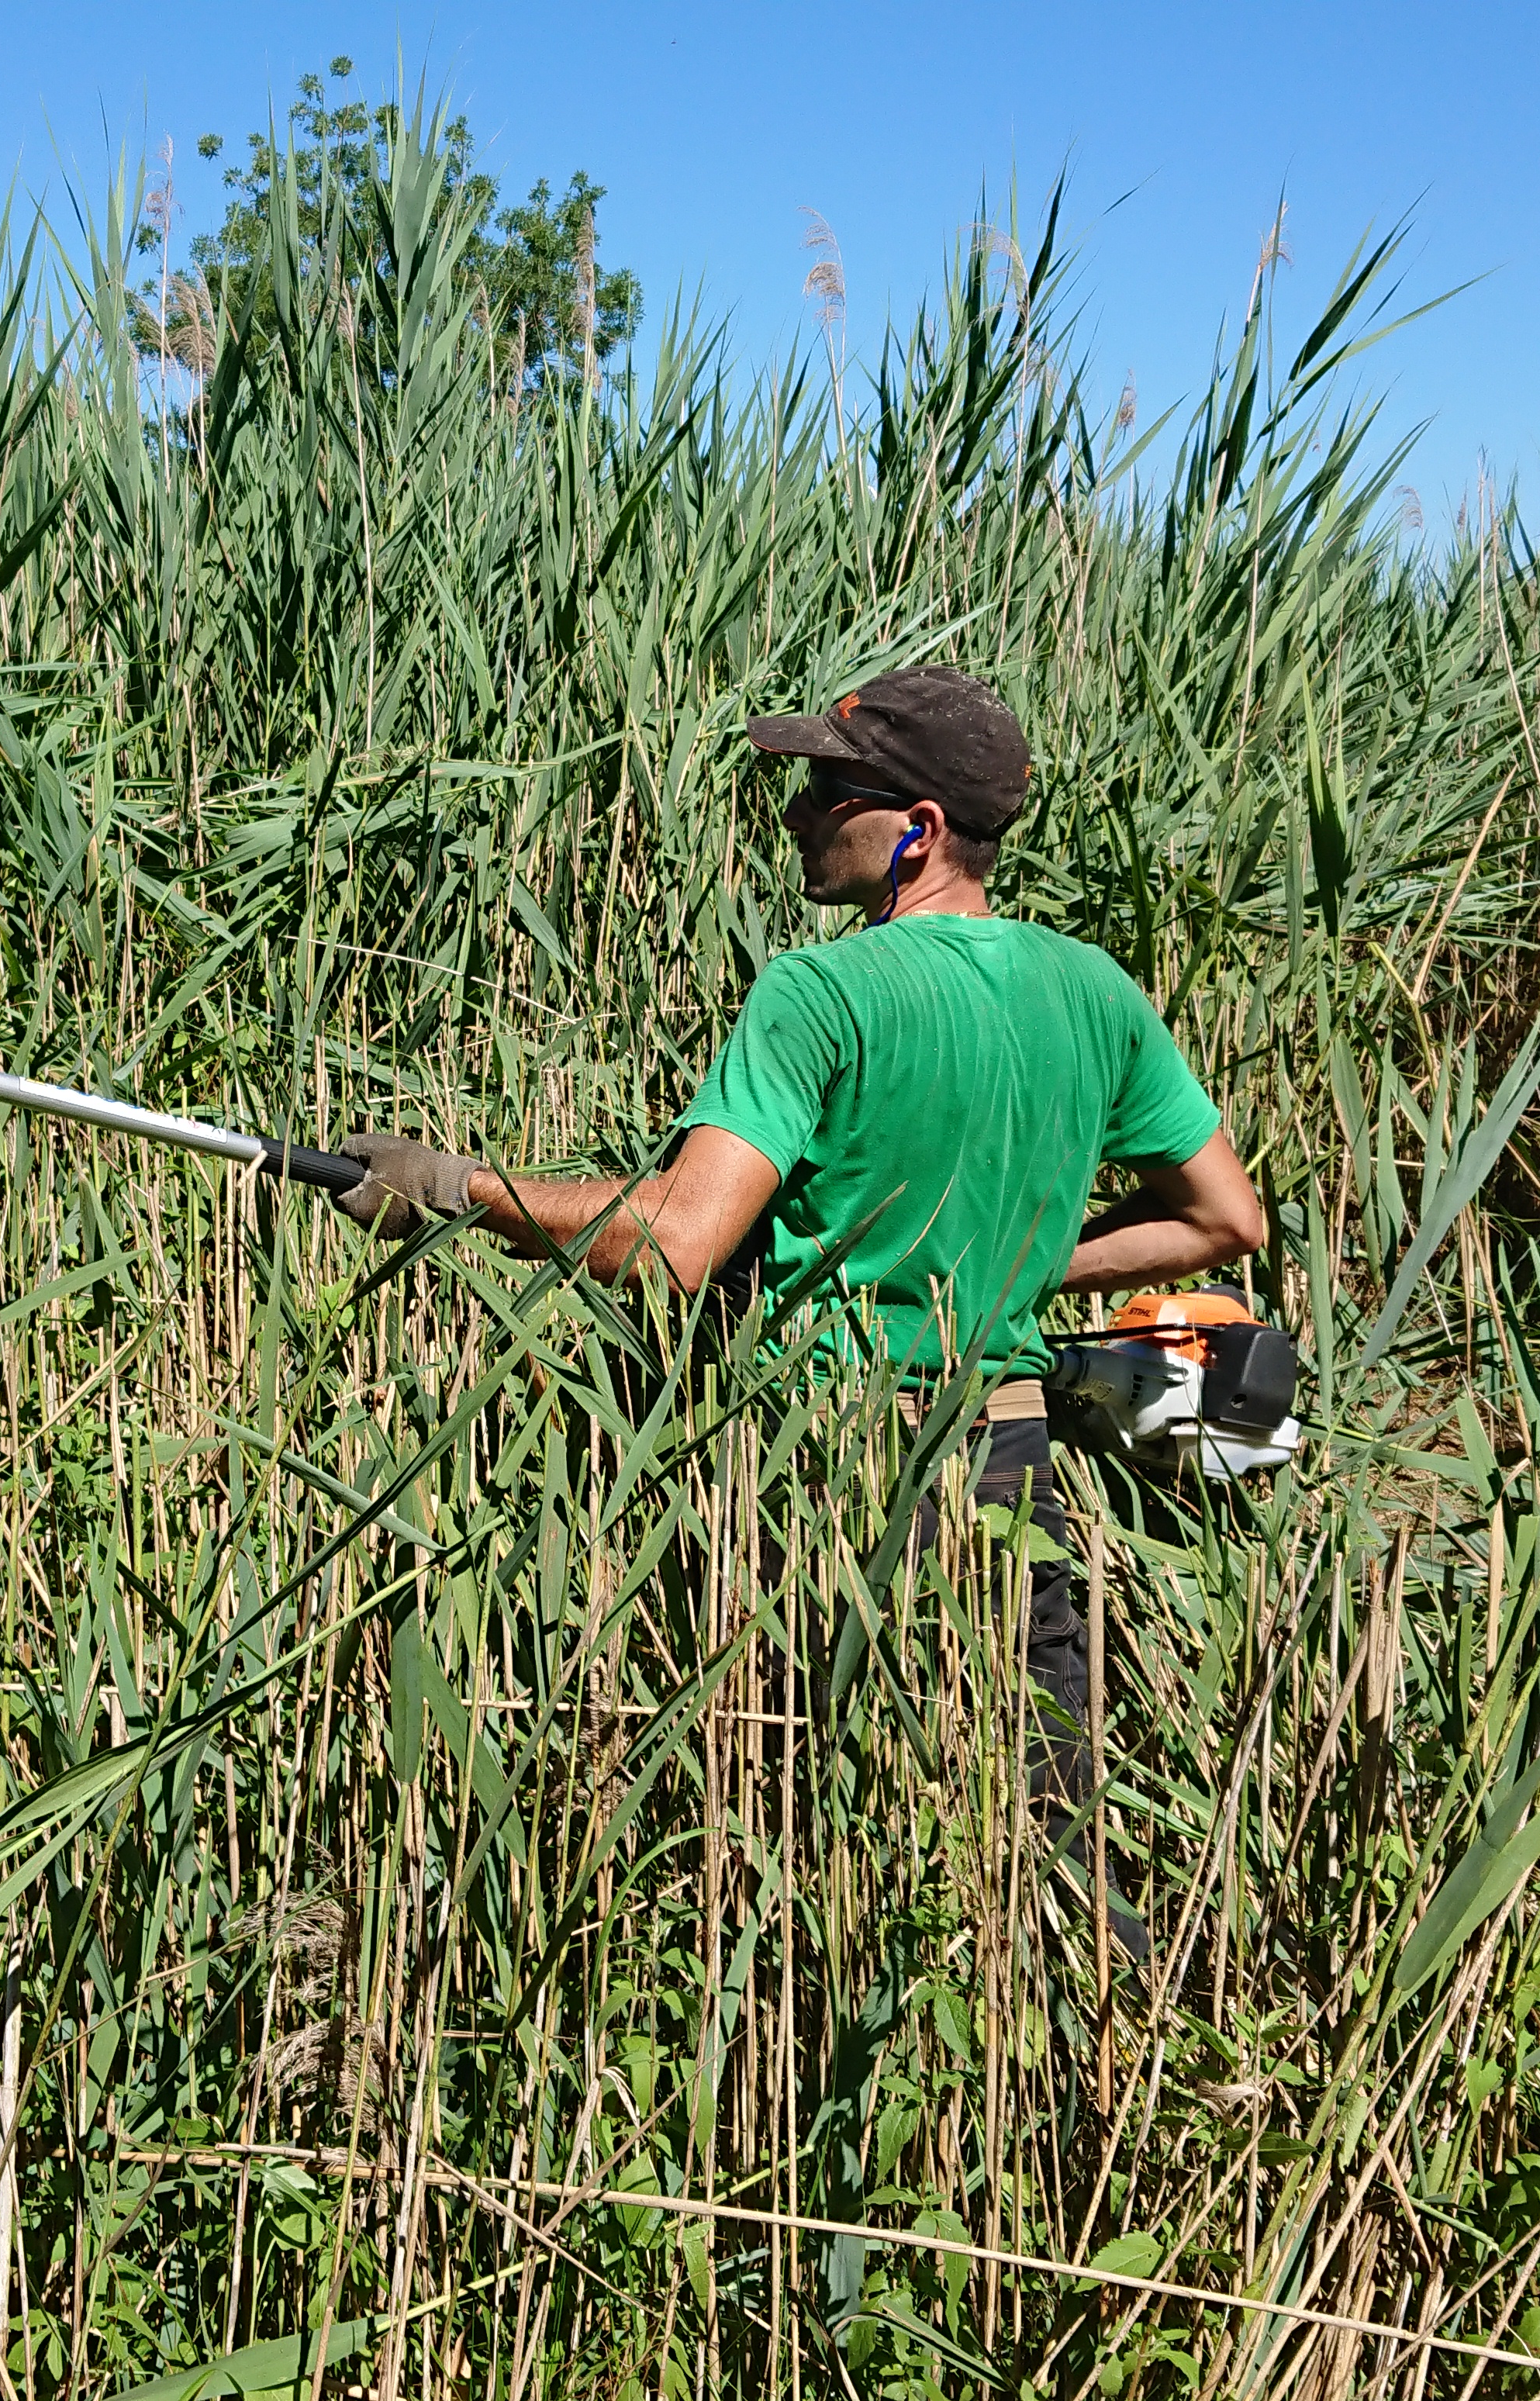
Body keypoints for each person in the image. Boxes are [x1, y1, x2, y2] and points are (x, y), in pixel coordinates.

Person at [325, 665, 1266, 1943]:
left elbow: (673, 1247)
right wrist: (1032, 1264)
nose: (800, 812)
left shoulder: (820, 997)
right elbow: (1225, 1219)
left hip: (840, 1470)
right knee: (1045, 1841)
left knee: (819, 1850)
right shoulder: (1095, 992)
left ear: (918, 830)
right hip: (1016, 1463)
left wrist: (460, 1188)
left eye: (832, 790)